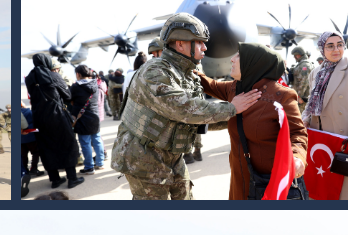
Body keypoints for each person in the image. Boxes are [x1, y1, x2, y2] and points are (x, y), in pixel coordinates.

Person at [110, 13, 259, 199]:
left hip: (171, 154)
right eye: (199, 42)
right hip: (143, 157)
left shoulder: (188, 73)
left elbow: (196, 120)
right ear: (180, 44)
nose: (205, 47)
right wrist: (232, 108)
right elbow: (183, 109)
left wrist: (240, 116)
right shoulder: (155, 71)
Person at [198, 42, 308, 199]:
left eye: (238, 56)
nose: (232, 59)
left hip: (267, 182)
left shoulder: (282, 95)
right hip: (239, 178)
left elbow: (297, 132)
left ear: (253, 63)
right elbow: (208, 84)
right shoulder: (235, 88)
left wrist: (297, 157)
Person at [302, 30, 348, 200]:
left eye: (340, 45)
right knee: (324, 188)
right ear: (322, 49)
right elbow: (311, 105)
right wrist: (303, 121)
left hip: (347, 140)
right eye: (330, 46)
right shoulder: (315, 72)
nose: (336, 49)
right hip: (322, 142)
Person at [26, 53, 85, 190]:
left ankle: (55, 179)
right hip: (57, 116)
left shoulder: (29, 78)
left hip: (39, 118)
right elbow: (68, 95)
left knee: (46, 147)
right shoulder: (53, 76)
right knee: (67, 144)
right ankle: (72, 178)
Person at [70, 65, 104, 174]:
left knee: (85, 143)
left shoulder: (75, 87)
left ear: (78, 74)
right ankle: (100, 162)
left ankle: (89, 167)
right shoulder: (95, 84)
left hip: (82, 118)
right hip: (95, 116)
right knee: (97, 140)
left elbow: (70, 100)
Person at [291, 47, 316, 113]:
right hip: (303, 97)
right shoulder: (303, 64)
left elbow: (304, 82)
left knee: (301, 117)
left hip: (303, 98)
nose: (294, 57)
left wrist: (299, 96)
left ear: (299, 55)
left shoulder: (305, 65)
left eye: (295, 56)